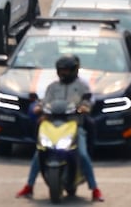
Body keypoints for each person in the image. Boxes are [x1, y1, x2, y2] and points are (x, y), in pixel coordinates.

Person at [15, 56, 103, 202]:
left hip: (74, 125)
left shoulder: (82, 86)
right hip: (53, 125)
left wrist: (84, 107)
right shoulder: (53, 87)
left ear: (74, 70)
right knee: (39, 153)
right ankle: (29, 187)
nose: (64, 73)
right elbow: (45, 102)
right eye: (61, 70)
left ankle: (95, 190)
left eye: (67, 70)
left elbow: (87, 101)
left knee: (82, 154)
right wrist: (39, 108)